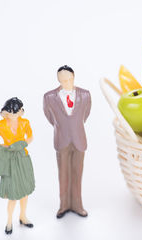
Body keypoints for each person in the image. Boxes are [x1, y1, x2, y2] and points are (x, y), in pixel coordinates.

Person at [43, 65, 91, 219]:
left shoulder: (85, 95)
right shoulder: (49, 97)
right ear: (58, 79)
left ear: (74, 77)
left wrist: (74, 126)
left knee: (78, 173)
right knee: (63, 173)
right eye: (62, 79)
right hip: (61, 139)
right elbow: (49, 116)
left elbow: (85, 114)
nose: (66, 82)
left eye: (69, 79)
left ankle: (77, 205)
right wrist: (62, 127)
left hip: (79, 139)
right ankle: (63, 205)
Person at [0, 97, 35, 235]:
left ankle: (23, 216)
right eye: (16, 110)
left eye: (20, 110)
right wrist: (3, 146)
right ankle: (9, 221)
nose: (20, 112)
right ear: (7, 112)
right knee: (13, 195)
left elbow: (30, 137)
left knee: (25, 192)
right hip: (9, 161)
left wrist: (21, 144)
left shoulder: (25, 122)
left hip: (23, 158)